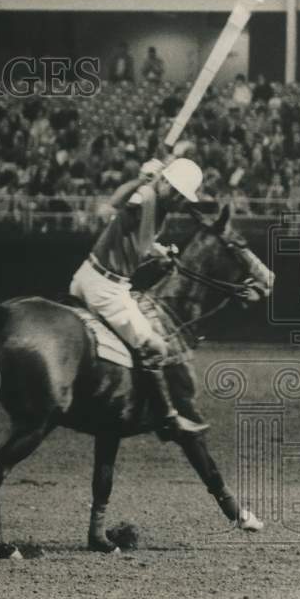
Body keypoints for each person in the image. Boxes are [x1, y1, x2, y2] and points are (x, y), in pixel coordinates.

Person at [69, 157, 208, 437]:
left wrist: (159, 251)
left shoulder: (156, 204)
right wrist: (141, 180)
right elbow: (117, 203)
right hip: (106, 289)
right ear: (165, 182)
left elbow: (137, 239)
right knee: (157, 347)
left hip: (86, 276)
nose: (180, 201)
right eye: (178, 193)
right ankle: (168, 418)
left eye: (184, 197)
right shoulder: (146, 197)